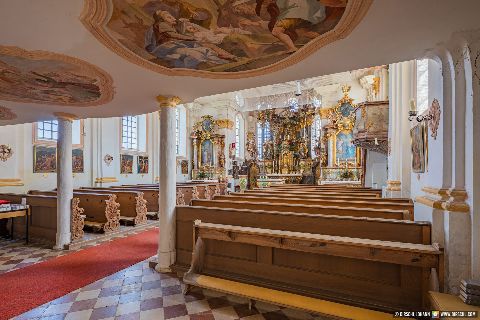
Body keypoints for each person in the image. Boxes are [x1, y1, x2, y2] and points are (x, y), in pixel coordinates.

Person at [256, 0, 326, 52]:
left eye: (265, 1)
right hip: (304, 13)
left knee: (276, 31)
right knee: (302, 32)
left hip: (294, 12)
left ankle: (292, 48)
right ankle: (323, 38)